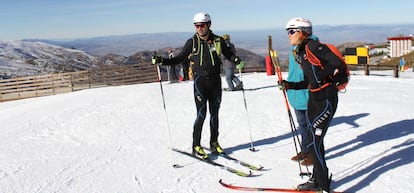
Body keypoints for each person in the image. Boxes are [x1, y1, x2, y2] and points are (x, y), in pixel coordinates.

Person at [152, 12, 245, 159]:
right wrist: (162, 61)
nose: (199, 28)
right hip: (200, 82)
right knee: (201, 114)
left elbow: (228, 54)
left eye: (202, 25)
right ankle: (196, 145)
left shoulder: (218, 41)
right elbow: (179, 58)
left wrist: (237, 60)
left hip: (215, 81)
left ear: (209, 25)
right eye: (197, 26)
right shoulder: (192, 42)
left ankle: (214, 142)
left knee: (214, 114)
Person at [279, 17, 341, 192]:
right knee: (316, 144)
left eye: (291, 31)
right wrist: (291, 85)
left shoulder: (313, 47)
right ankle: (318, 180)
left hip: (326, 100)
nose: (288, 35)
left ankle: (322, 186)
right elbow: (309, 80)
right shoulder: (302, 50)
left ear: (302, 32)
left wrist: (325, 79)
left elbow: (338, 64)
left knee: (315, 142)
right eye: (288, 31)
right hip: (315, 99)